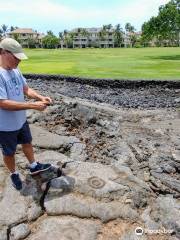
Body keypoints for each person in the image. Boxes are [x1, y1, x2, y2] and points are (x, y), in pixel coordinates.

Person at [0, 38, 52, 191]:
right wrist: (33, 106)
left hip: (20, 120)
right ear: (3, 52)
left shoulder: (16, 70)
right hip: (5, 125)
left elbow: (26, 90)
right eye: (16, 57)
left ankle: (34, 165)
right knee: (9, 152)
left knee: (27, 142)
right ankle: (14, 173)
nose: (19, 61)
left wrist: (40, 98)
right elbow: (2, 103)